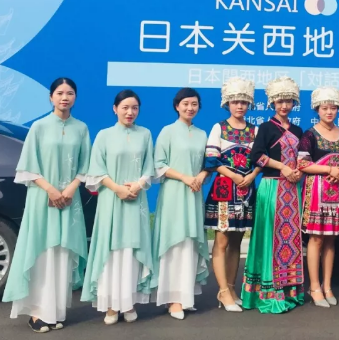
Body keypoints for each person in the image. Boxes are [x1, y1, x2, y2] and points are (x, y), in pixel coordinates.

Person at [2, 78, 91, 333]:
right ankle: (37, 312)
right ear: (51, 97)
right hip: (42, 199)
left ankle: (56, 311)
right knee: (42, 253)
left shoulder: (81, 128)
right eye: (60, 93)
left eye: (70, 93)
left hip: (69, 201)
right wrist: (51, 190)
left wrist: (70, 189)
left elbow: (85, 166)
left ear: (75, 97)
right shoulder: (39, 127)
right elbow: (28, 166)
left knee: (62, 252)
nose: (65, 97)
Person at [81, 89, 155, 325]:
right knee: (112, 251)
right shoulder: (104, 135)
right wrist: (118, 189)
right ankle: (112, 305)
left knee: (132, 250)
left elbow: (149, 168)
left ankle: (129, 302)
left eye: (134, 108)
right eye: (125, 107)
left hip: (136, 200)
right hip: (111, 200)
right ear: (115, 109)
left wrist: (138, 185)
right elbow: (96, 169)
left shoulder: (145, 134)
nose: (130, 112)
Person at [241, 76, 304, 314]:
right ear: (272, 103)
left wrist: (298, 170)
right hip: (272, 187)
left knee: (290, 238)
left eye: (288, 101)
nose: (284, 106)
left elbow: (303, 157)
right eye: (279, 101)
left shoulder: (298, 130)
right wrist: (283, 167)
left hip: (293, 190)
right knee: (270, 236)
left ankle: (290, 290)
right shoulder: (266, 128)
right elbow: (256, 156)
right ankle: (269, 291)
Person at [151, 88, 210, 320]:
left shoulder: (202, 134)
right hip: (174, 194)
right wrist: (184, 177)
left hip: (194, 194)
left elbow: (209, 163)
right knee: (174, 242)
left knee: (190, 243)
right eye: (185, 104)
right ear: (177, 106)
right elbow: (159, 164)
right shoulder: (167, 131)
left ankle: (186, 296)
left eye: (194, 104)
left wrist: (201, 176)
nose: (190, 108)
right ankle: (172, 298)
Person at [204, 78, 260, 313]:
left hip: (246, 191)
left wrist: (252, 174)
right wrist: (234, 176)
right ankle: (222, 291)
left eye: (243, 102)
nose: (239, 106)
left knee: (237, 240)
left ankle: (231, 288)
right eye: (235, 102)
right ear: (227, 103)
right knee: (222, 240)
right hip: (225, 190)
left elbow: (261, 159)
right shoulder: (219, 128)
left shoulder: (254, 130)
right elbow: (211, 160)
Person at [297, 86, 339, 308]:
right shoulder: (309, 135)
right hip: (316, 192)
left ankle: (328, 285)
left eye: (333, 108)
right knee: (316, 238)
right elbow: (302, 164)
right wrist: (330, 170)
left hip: (337, 191)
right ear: (317, 110)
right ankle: (314, 287)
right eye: (324, 108)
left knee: (331, 238)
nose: (329, 112)